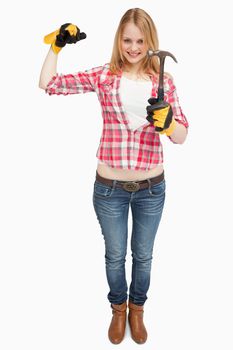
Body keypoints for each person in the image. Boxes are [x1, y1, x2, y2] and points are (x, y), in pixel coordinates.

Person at [39, 8, 189, 344]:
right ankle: (117, 309)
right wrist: (57, 46)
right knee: (115, 254)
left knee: (145, 255)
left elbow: (182, 136)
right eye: (127, 40)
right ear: (118, 40)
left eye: (140, 40)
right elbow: (49, 84)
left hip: (152, 188)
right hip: (109, 190)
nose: (133, 47)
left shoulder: (164, 82)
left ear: (151, 42)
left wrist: (168, 124)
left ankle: (138, 309)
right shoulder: (104, 75)